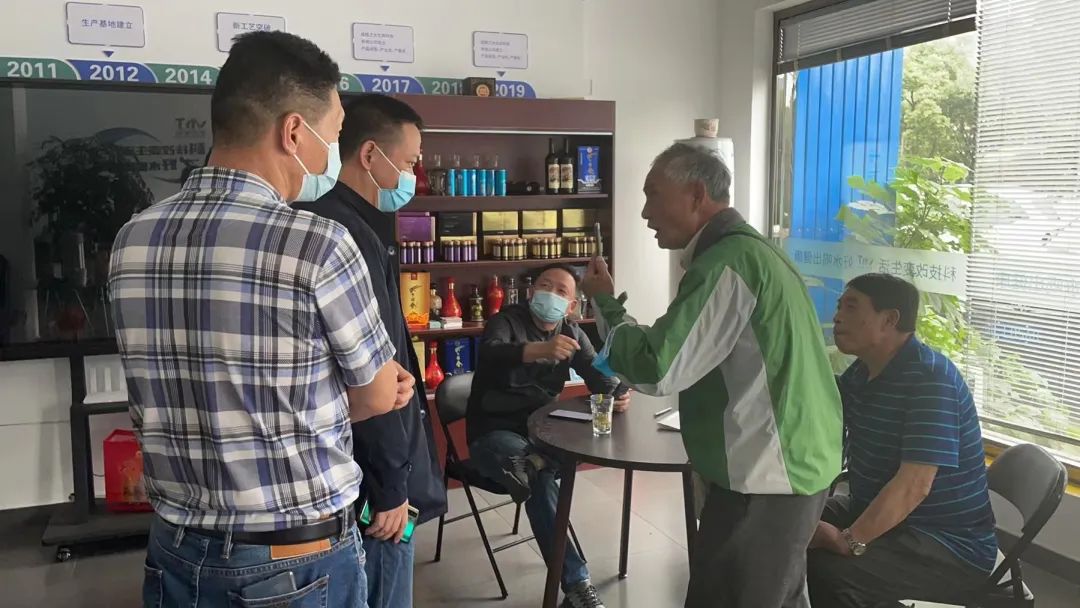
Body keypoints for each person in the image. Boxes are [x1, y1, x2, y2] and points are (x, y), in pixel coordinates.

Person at [109, 31, 414, 608]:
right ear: (293, 132)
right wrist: (375, 388)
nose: (330, 157)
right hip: (294, 561)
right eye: (333, 137)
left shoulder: (132, 239)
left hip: (175, 550)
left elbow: (195, 390)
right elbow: (375, 394)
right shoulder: (318, 243)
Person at [581, 143, 843, 608]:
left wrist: (604, 302)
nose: (645, 212)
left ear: (697, 194)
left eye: (653, 195)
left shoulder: (728, 262)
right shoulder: (752, 251)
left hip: (765, 475)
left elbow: (658, 367)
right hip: (791, 463)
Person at [293, 94, 447, 608]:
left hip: (363, 465)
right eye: (408, 162)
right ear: (369, 154)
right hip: (374, 477)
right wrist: (391, 487)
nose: (413, 176)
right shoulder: (346, 235)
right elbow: (374, 373)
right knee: (385, 579)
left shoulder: (351, 222)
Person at [806, 274, 996, 607]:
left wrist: (848, 540)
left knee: (824, 570)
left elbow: (914, 485)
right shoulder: (862, 372)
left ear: (889, 319)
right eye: (839, 307)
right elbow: (826, 410)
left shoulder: (931, 379)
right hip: (881, 512)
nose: (837, 317)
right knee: (787, 521)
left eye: (851, 307)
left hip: (946, 544)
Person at [467, 263, 630, 608]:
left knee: (554, 456)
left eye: (561, 291)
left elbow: (598, 375)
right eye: (544, 286)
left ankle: (533, 463)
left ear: (572, 305)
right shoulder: (507, 321)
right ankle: (577, 585)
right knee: (535, 472)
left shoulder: (572, 333)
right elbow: (491, 351)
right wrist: (538, 350)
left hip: (543, 432)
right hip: (494, 432)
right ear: (531, 292)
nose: (550, 294)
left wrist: (618, 392)